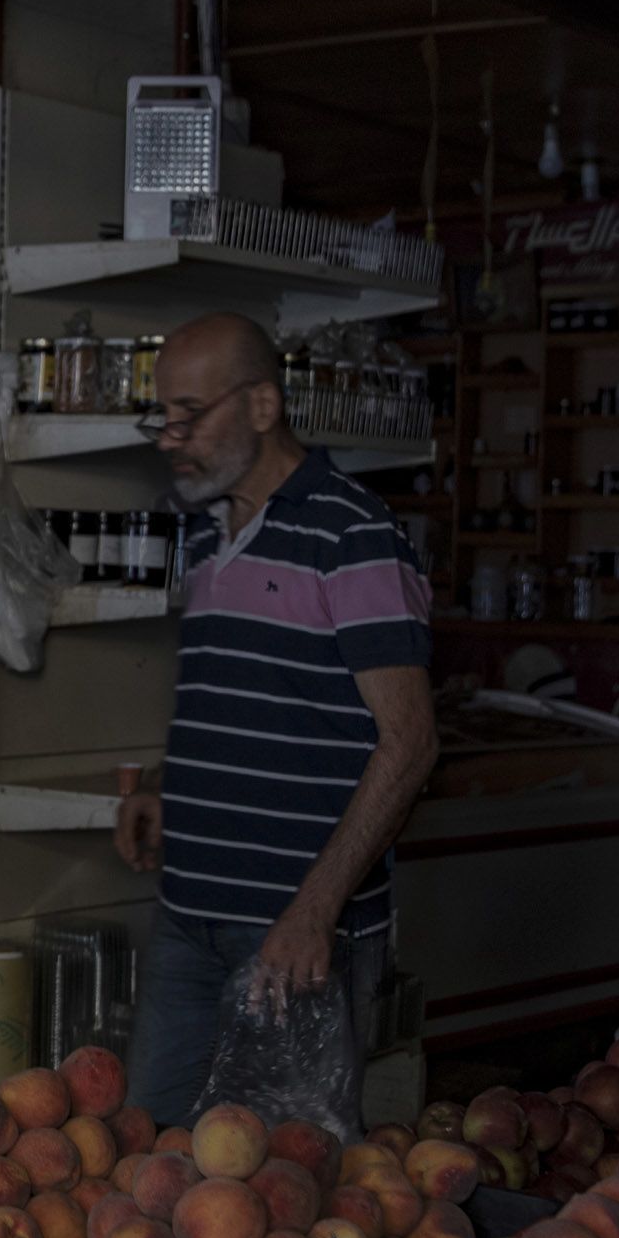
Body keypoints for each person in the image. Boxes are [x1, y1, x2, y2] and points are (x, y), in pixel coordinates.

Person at [111, 312, 439, 1129]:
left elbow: (410, 742)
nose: (169, 438)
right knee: (148, 1163)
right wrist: (167, 788)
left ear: (262, 406)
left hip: (295, 937)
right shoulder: (202, 527)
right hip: (189, 914)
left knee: (282, 1189)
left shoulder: (353, 534)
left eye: (190, 414)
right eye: (164, 415)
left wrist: (313, 910)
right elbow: (243, 695)